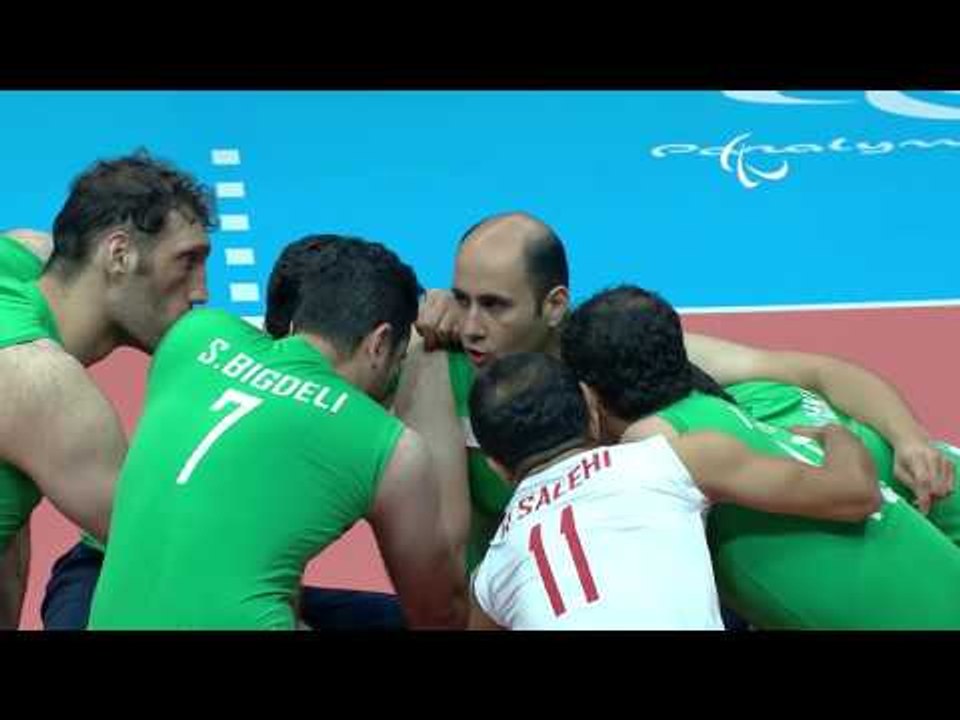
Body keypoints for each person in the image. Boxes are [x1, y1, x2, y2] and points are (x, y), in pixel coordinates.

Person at [405, 211, 956, 579]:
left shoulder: (625, 357)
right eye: (462, 299)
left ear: (554, 305)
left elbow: (819, 372)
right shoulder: (442, 364)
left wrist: (909, 439)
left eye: (494, 305)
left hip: (882, 501)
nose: (472, 326)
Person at [88, 237, 467, 630]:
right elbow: (438, 614)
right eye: (398, 360)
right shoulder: (388, 447)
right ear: (380, 343)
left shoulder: (194, 335)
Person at [561, 285, 960, 629]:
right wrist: (838, 435)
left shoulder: (653, 443)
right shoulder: (719, 406)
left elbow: (856, 493)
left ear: (588, 396)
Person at [467, 352, 879, 630]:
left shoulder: (491, 576)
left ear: (496, 466)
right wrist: (836, 434)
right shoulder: (666, 462)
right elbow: (855, 493)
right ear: (592, 412)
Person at [0, 152, 214, 630]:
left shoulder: (22, 258)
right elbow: (187, 561)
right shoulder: (42, 383)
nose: (201, 292)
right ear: (118, 255)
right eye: (187, 262)